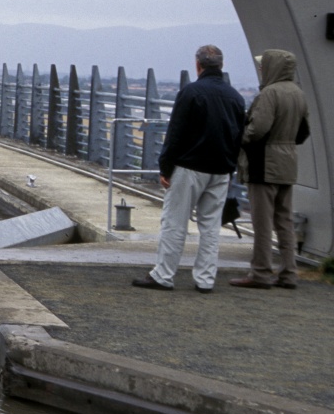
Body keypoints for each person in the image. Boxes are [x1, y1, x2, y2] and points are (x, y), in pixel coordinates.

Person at [133, 45, 246, 292]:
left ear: (198, 65)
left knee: (175, 223)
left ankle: (163, 275)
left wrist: (165, 167)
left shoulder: (191, 92)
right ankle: (205, 279)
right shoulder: (236, 97)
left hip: (189, 167)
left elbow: (176, 133)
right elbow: (240, 136)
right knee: (211, 227)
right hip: (221, 170)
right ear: (222, 65)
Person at [230, 49, 310, 290]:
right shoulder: (298, 93)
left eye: (264, 66)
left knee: (262, 221)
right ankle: (289, 272)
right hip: (288, 162)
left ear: (273, 67)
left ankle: (261, 272)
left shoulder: (270, 93)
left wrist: (241, 137)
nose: (261, 69)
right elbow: (303, 131)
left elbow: (259, 129)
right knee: (284, 220)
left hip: (264, 163)